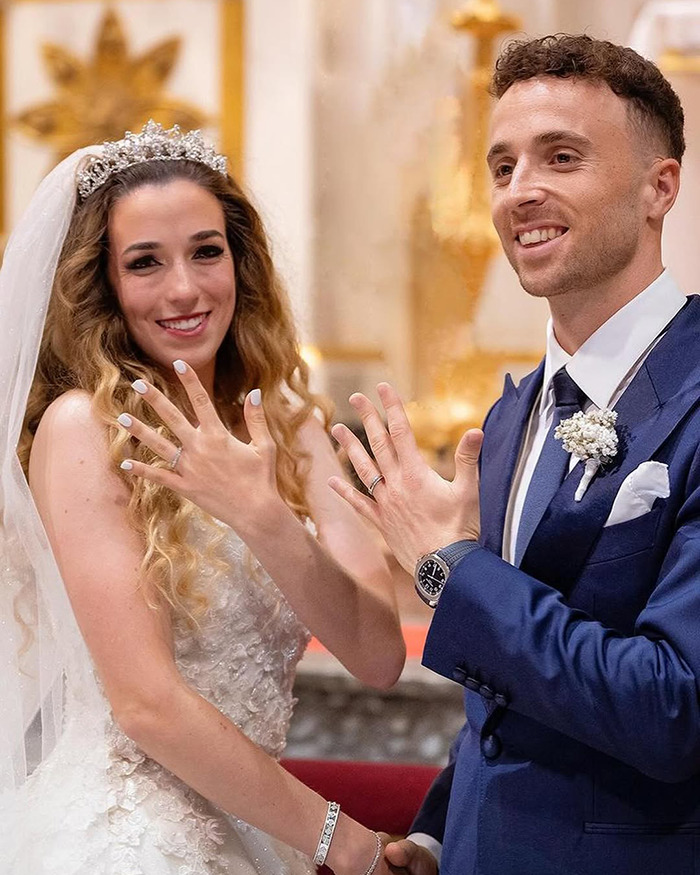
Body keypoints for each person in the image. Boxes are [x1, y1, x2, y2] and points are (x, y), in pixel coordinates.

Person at [329, 34, 700, 875]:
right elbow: (508, 692)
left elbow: (676, 707)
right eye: (501, 168)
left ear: (660, 186)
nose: (519, 192)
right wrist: (438, 829)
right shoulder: (507, 416)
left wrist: (448, 567)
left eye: (560, 157)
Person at [0, 121, 404, 874]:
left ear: (241, 263)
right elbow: (145, 705)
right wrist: (340, 837)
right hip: (129, 839)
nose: (184, 288)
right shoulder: (86, 428)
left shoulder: (295, 430)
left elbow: (379, 656)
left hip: (255, 826)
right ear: (106, 285)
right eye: (145, 263)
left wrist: (264, 515)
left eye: (206, 251)